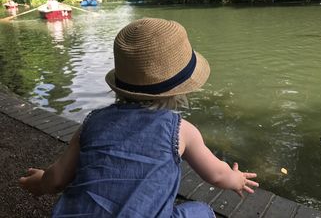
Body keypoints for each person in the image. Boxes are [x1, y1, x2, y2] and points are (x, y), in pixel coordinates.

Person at [19, 18, 259, 217]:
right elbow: (217, 175)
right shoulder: (181, 130)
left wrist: (40, 182)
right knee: (203, 211)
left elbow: (57, 178)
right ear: (182, 89)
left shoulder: (92, 123)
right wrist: (236, 179)